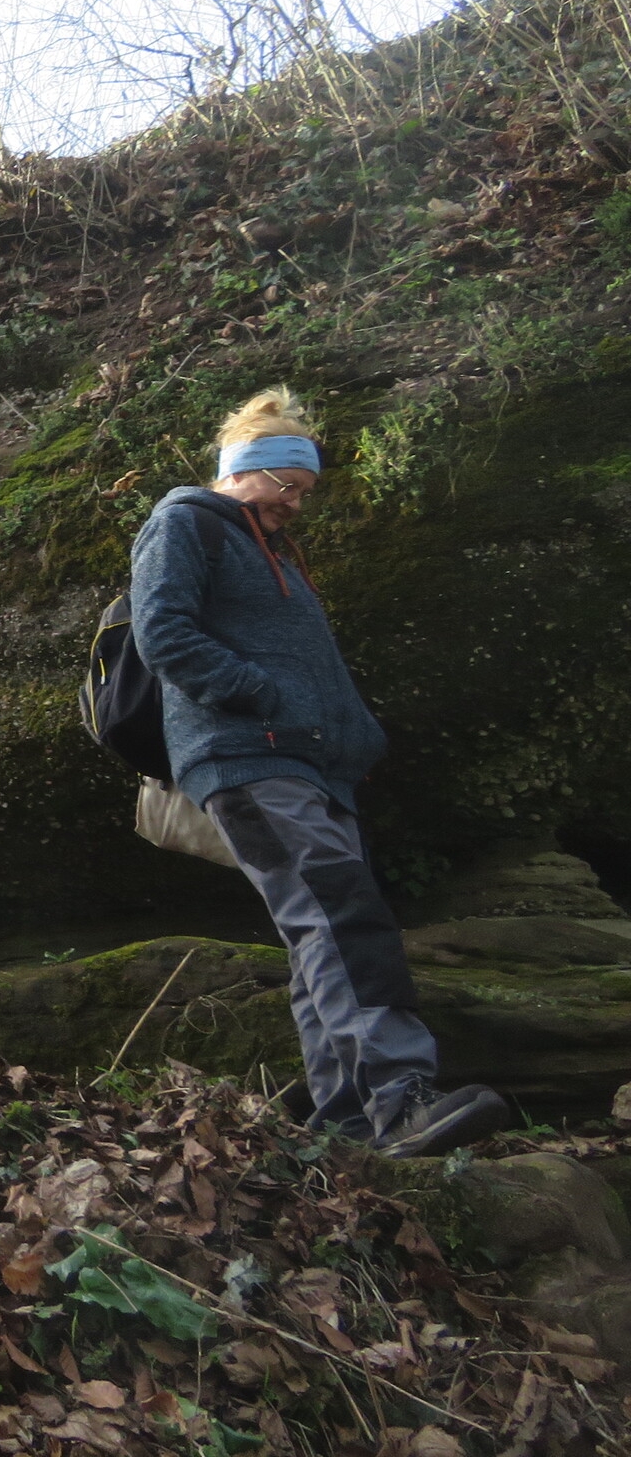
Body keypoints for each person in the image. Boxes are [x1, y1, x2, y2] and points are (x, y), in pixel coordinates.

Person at [128, 387, 510, 1159]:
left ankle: (348, 1129)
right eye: (288, 485)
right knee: (340, 915)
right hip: (249, 753)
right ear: (244, 470)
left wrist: (352, 736)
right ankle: (400, 1096)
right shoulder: (183, 522)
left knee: (321, 937)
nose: (297, 504)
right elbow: (161, 632)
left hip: (310, 763)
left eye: (305, 491)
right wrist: (258, 694)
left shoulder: (272, 553)